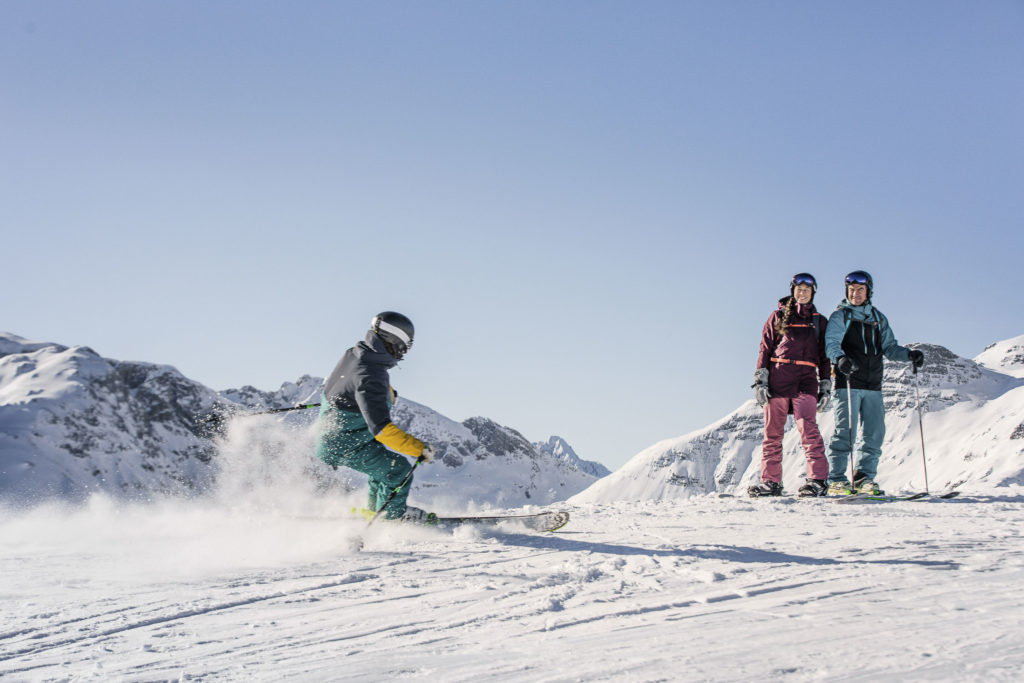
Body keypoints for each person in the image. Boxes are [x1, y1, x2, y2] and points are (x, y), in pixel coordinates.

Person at [315, 311, 436, 522]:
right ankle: (392, 519)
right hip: (346, 442)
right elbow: (382, 430)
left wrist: (385, 395)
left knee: (384, 468)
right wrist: (419, 449)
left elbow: (349, 384)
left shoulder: (355, 353)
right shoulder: (371, 376)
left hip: (339, 435)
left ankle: (375, 512)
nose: (404, 353)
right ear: (396, 342)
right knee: (397, 470)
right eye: (406, 347)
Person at [824, 271, 924, 495]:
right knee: (845, 432)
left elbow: (890, 348)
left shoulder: (878, 319)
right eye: (851, 289)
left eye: (860, 290)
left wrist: (909, 355)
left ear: (868, 291)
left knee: (875, 433)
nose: (855, 293)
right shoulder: (841, 316)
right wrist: (840, 359)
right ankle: (837, 481)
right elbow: (831, 343)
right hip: (847, 382)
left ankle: (864, 479)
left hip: (873, 385)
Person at [749, 273, 832, 497]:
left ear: (813, 292)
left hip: (806, 379)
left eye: (807, 289)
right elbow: (765, 348)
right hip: (779, 378)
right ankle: (771, 482)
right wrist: (760, 379)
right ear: (792, 291)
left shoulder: (819, 322)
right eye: (798, 288)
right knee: (772, 433)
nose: (802, 292)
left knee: (808, 428)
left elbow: (825, 357)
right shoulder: (777, 316)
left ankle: (817, 480)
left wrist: (825, 383)